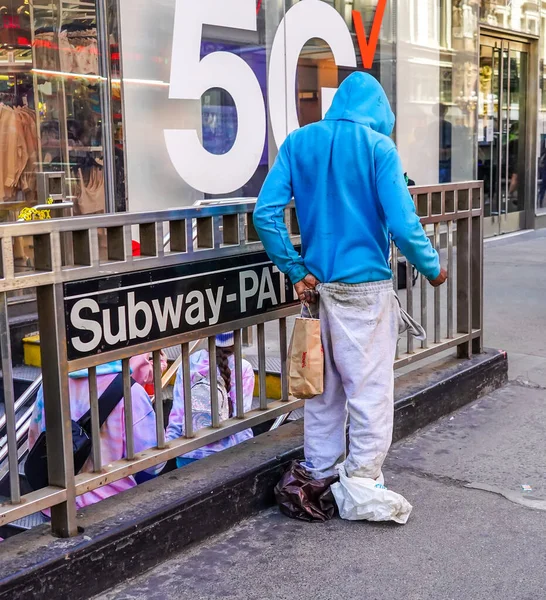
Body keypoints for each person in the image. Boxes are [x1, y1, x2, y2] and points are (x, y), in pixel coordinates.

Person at [253, 72, 447, 487]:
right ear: (379, 111)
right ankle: (360, 484)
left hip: (317, 290)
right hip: (365, 293)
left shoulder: (298, 142)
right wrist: (433, 267)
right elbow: (403, 224)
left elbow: (265, 215)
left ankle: (319, 476)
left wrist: (295, 269)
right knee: (369, 394)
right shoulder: (380, 148)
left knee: (323, 394)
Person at [28, 354, 164, 510]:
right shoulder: (132, 393)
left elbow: (35, 442)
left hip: (55, 505)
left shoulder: (51, 383)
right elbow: (153, 463)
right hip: (109, 506)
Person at [166, 332, 256, 467]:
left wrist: (168, 447)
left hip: (187, 453)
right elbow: (241, 418)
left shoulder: (190, 361)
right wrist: (250, 453)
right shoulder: (243, 367)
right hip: (225, 456)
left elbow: (178, 412)